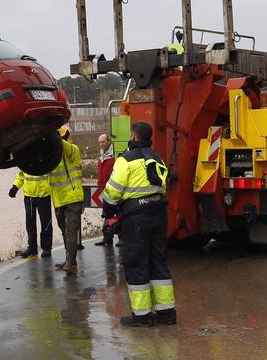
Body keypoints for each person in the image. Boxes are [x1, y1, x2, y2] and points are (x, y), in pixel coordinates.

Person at [102, 121, 175, 327]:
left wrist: (108, 211)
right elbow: (163, 184)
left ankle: (142, 316)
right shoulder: (156, 157)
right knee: (158, 262)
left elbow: (113, 191)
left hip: (136, 219)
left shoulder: (125, 160)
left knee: (136, 263)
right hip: (159, 215)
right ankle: (166, 313)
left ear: (133, 137)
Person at [48, 125, 84, 274]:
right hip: (59, 200)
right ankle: (68, 259)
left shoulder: (73, 150)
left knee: (70, 232)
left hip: (72, 197)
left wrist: (50, 134)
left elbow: (65, 147)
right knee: (65, 231)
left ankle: (71, 263)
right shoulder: (52, 154)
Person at [9, 167, 53, 258]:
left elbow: (53, 174)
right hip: (29, 196)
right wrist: (15, 187)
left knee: (46, 223)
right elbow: (21, 175)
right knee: (30, 224)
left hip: (44, 195)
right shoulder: (24, 157)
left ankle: (46, 248)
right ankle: (32, 249)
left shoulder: (45, 155)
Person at [91, 132, 117, 248]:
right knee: (107, 215)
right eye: (100, 142)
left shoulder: (114, 156)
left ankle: (120, 237)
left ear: (109, 142)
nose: (101, 144)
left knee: (117, 214)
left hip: (114, 190)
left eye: (103, 141)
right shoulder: (102, 156)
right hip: (103, 190)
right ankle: (107, 238)